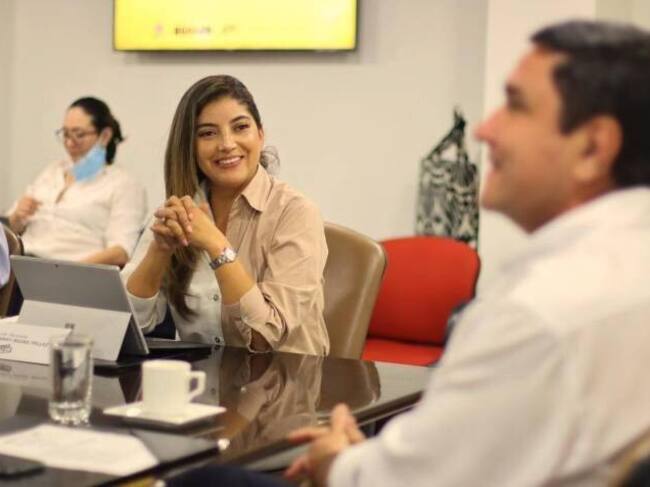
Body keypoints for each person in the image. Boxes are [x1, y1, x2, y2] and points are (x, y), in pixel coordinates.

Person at [281, 20, 650, 486]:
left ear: (593, 148)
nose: (484, 129)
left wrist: (334, 460)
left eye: (516, 105)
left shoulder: (535, 315)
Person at [122, 75, 329, 355]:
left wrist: (216, 245)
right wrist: (159, 251)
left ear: (260, 134)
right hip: (199, 378)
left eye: (240, 127)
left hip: (282, 378)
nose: (227, 144)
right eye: (208, 133)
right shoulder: (179, 211)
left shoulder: (295, 213)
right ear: (189, 146)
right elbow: (127, 325)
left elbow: (264, 338)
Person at [5, 97, 146, 266]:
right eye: (65, 134)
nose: (69, 142)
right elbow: (8, 230)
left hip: (69, 270)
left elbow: (121, 252)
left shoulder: (124, 184)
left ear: (105, 135)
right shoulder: (52, 172)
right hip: (20, 262)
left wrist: (67, 271)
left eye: (79, 135)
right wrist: (17, 217)